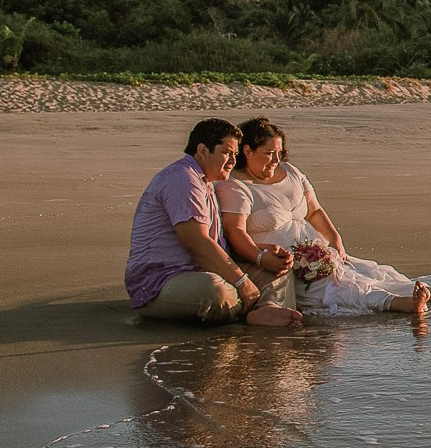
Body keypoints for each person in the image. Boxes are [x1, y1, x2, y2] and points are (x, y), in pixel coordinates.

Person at [218, 117, 431, 318]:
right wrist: (262, 258)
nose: (275, 160)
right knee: (344, 288)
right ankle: (401, 304)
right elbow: (235, 233)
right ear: (247, 152)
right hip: (287, 263)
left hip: (318, 252)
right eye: (268, 154)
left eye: (279, 153)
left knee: (373, 273)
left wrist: (335, 240)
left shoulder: (290, 172)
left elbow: (314, 211)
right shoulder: (237, 187)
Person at [124, 119, 301, 326]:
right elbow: (197, 243)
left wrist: (260, 254)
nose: (232, 162)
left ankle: (266, 310)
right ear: (202, 150)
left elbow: (217, 242)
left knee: (276, 268)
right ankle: (253, 306)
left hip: (200, 271)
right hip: (162, 282)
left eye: (235, 155)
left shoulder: (207, 182)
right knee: (214, 291)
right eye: (227, 153)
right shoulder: (182, 179)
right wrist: (243, 284)